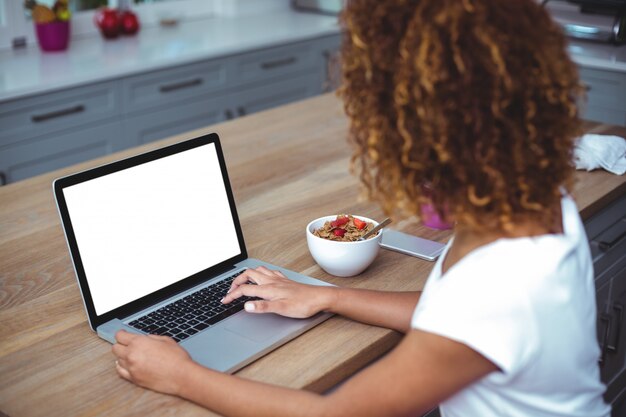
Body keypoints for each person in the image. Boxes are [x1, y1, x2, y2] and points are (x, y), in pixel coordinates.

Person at [112, 1, 611, 416]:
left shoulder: (505, 285)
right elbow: (452, 312)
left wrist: (182, 376)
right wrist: (327, 296)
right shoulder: (528, 195)